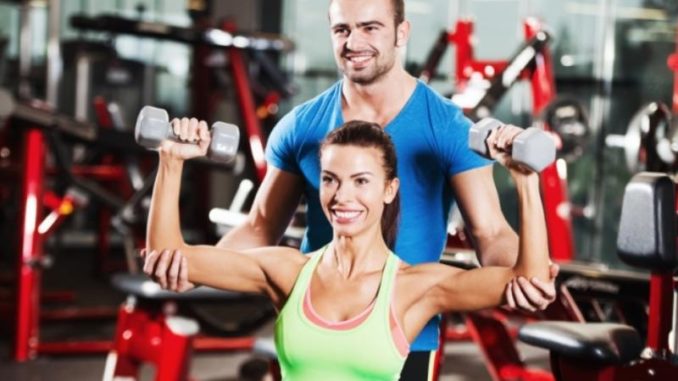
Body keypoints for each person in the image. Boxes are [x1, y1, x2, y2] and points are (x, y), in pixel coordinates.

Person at [149, 0, 559, 378]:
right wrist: (194, 270)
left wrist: (526, 275)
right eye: (342, 29)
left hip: (405, 327)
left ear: (401, 33)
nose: (354, 42)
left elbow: (489, 232)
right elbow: (260, 226)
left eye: (370, 27)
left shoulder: (448, 128)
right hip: (314, 319)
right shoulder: (301, 126)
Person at [143, 120, 550, 381]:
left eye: (361, 181)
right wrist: (172, 159)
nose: (342, 196)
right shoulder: (288, 271)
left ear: (389, 190)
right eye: (331, 180)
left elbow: (526, 281)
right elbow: (169, 257)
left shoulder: (413, 288)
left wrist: (525, 180)